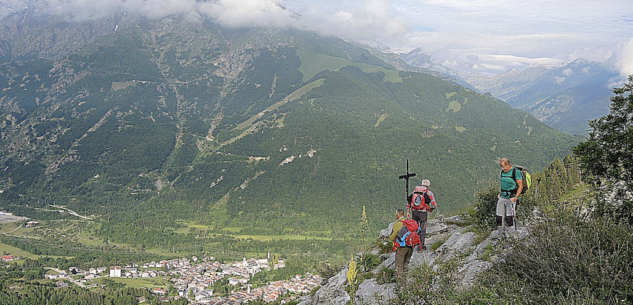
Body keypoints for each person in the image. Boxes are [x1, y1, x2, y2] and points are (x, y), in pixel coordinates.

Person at [406, 179, 437, 250]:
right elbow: (434, 205)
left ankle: (414, 243)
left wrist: (408, 211)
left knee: (414, 228)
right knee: (423, 229)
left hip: (414, 212)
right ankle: (421, 245)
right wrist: (430, 209)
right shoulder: (429, 193)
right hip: (423, 213)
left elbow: (408, 202)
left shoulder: (415, 192)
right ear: (428, 186)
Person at [497, 158, 523, 229]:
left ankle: (512, 233)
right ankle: (500, 232)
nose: (502, 169)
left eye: (503, 167)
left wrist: (516, 197)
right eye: (501, 167)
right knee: (499, 216)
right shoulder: (503, 172)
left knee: (509, 217)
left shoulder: (515, 172)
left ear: (508, 165)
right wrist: (501, 192)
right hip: (503, 196)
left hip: (512, 197)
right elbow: (504, 182)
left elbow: (520, 186)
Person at [389, 209, 413, 279]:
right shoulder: (409, 222)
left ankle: (400, 284)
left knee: (399, 266)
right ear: (404, 214)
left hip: (401, 247)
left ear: (397, 215)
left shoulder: (397, 224)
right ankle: (405, 282)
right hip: (411, 246)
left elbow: (391, 237)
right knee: (405, 264)